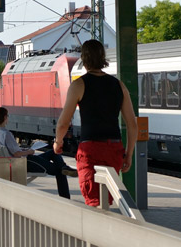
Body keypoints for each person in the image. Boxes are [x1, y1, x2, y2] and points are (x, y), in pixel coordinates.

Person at [54, 39, 138, 207]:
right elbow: (132, 125)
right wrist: (128, 154)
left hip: (90, 150)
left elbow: (64, 122)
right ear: (103, 57)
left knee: (93, 201)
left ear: (84, 58)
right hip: (114, 149)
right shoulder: (118, 85)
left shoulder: (79, 85)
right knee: (105, 198)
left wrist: (58, 142)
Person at [0, 107, 75, 199]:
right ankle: (65, 197)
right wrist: (29, 151)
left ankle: (64, 166)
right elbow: (16, 154)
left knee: (53, 152)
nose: (8, 117)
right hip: (26, 162)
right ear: (4, 118)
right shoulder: (7, 134)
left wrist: (24, 150)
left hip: (20, 161)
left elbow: (13, 151)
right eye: (7, 116)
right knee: (59, 171)